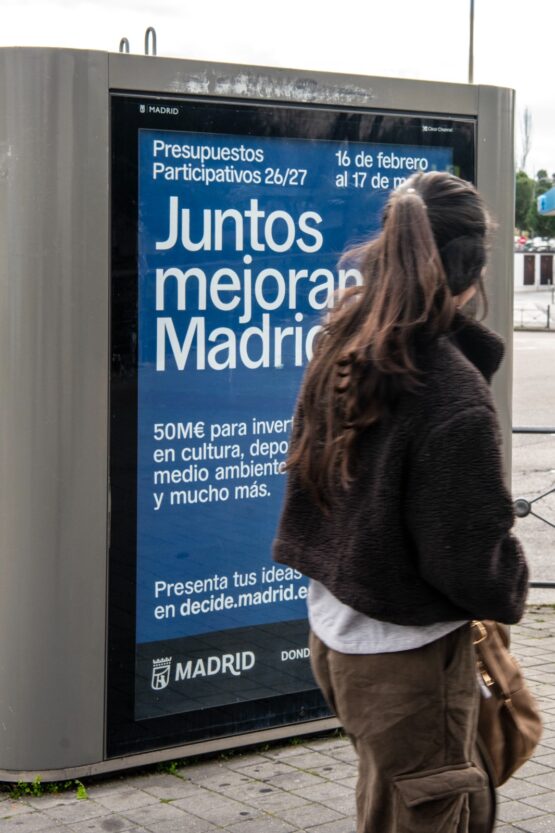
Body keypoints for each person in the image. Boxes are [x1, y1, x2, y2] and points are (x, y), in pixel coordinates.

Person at [273, 171, 529, 833]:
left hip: (338, 634)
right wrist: (511, 576)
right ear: (473, 270)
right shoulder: (453, 394)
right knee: (432, 811)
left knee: (389, 797)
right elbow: (470, 564)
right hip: (405, 659)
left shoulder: (346, 336)